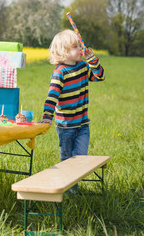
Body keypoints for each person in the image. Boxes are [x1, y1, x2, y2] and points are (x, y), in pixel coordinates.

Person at [38, 29, 105, 193]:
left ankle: (71, 187)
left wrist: (92, 60)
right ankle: (69, 190)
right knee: (67, 159)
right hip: (65, 126)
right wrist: (47, 117)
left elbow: (99, 76)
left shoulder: (83, 66)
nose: (80, 49)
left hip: (82, 124)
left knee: (80, 158)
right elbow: (52, 97)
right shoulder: (60, 73)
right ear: (63, 51)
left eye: (79, 45)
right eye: (75, 47)